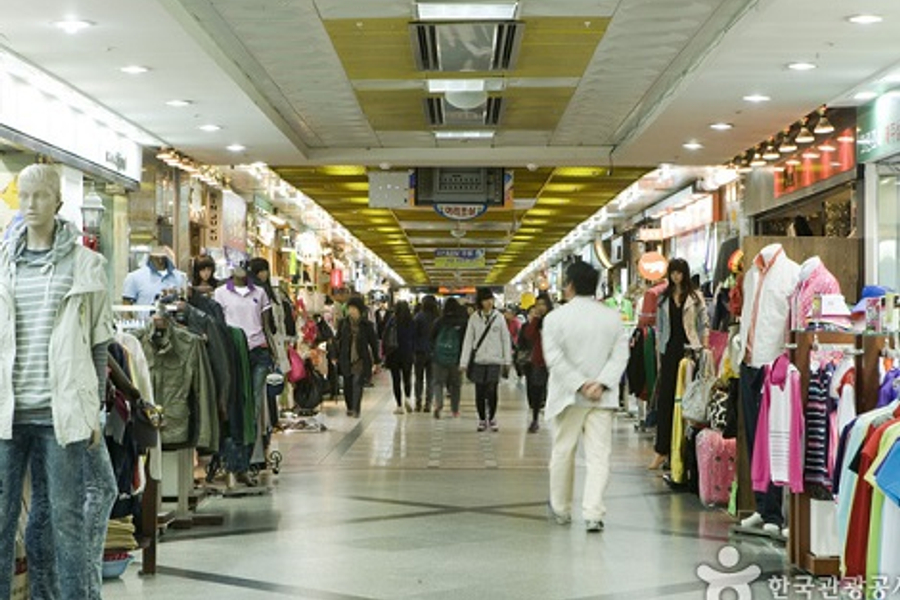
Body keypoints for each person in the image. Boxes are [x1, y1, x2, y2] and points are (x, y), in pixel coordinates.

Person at [0, 164, 116, 598]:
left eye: (41, 195)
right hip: (7, 412)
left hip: (61, 412)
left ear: (58, 202)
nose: (31, 204)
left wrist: (95, 409)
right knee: (1, 519)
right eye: (25, 195)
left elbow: (99, 343)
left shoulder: (86, 265)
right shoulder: (3, 263)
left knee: (67, 520)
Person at [542, 261, 629, 533]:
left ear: (569, 285)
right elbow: (620, 355)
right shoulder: (612, 318)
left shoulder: (555, 319)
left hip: (567, 397)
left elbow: (554, 359)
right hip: (602, 398)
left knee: (563, 451)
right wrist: (600, 384)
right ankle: (593, 513)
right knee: (599, 456)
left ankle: (561, 508)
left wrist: (580, 385)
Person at [214, 261, 274, 483]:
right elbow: (218, 326)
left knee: (253, 408)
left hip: (258, 352)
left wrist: (275, 355)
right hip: (232, 353)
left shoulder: (260, 293)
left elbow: (267, 326)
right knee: (235, 407)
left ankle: (246, 464)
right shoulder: (220, 294)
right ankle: (232, 463)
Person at [648, 258, 709, 471]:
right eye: (673, 272)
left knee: (689, 400)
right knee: (666, 400)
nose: (676, 276)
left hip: (690, 350)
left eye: (679, 272)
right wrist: (659, 355)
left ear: (685, 273)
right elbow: (659, 328)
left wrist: (704, 347)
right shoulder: (663, 299)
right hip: (669, 351)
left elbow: (704, 324)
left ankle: (685, 453)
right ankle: (661, 450)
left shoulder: (695, 297)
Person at [460, 287, 512, 432]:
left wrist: (507, 361)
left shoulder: (499, 318)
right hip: (479, 360)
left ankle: (492, 417)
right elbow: (468, 341)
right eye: (485, 300)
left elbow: (505, 340)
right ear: (480, 302)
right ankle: (482, 419)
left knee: (492, 389)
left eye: (491, 299)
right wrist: (463, 362)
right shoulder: (474, 318)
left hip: (495, 360)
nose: (489, 302)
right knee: (480, 392)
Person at [335, 296, 380, 418]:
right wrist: (335, 355)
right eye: (350, 308)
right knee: (347, 384)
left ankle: (356, 408)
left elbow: (373, 343)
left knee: (357, 383)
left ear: (360, 310)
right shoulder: (343, 323)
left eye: (354, 308)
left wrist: (377, 360)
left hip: (360, 358)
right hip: (346, 357)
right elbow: (337, 340)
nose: (352, 311)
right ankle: (349, 407)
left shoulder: (367, 325)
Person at [520, 293, 553, 433]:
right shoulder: (537, 321)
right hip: (539, 360)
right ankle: (535, 419)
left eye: (543, 304)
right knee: (537, 390)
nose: (541, 307)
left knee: (553, 390)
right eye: (538, 304)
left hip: (554, 361)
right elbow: (529, 335)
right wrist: (535, 319)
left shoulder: (554, 319)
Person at [430, 298, 468, 419]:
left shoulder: (439, 321)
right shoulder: (462, 322)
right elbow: (465, 341)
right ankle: (455, 410)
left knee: (438, 382)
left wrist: (433, 352)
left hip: (439, 357)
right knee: (455, 385)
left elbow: (431, 338)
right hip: (456, 358)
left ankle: (438, 404)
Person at [122, 244, 187, 306]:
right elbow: (126, 307)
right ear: (150, 257)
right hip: (146, 314)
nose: (160, 260)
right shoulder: (134, 278)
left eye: (162, 257)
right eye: (157, 257)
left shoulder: (181, 278)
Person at [383, 300, 415, 414]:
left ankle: (399, 406)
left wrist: (384, 352)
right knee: (407, 378)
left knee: (396, 380)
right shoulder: (411, 321)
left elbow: (385, 335)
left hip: (394, 354)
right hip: (407, 353)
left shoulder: (392, 320)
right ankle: (407, 398)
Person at [413, 295, 439, 412]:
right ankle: (428, 403)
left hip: (419, 351)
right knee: (430, 379)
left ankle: (418, 402)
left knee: (418, 378)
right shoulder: (437, 318)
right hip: (433, 351)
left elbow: (413, 334)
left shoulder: (418, 317)